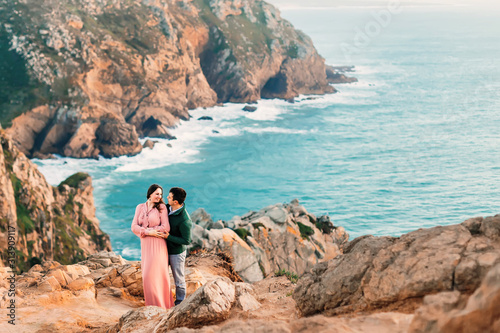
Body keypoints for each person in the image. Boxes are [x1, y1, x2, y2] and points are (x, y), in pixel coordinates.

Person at [131, 184, 174, 309]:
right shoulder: (140, 207)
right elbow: (134, 226)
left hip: (158, 245)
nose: (159, 196)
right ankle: (151, 305)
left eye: (160, 194)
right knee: (147, 275)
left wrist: (145, 230)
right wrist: (149, 232)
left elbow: (166, 227)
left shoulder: (162, 208)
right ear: (150, 194)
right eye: (157, 194)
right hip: (146, 245)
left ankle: (163, 305)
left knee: (157, 274)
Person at [164, 187, 192, 306]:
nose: (167, 198)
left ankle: (180, 304)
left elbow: (187, 240)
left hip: (176, 253)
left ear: (175, 202)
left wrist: (168, 237)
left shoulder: (184, 220)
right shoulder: (166, 207)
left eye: (169, 197)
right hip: (164, 250)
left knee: (179, 280)